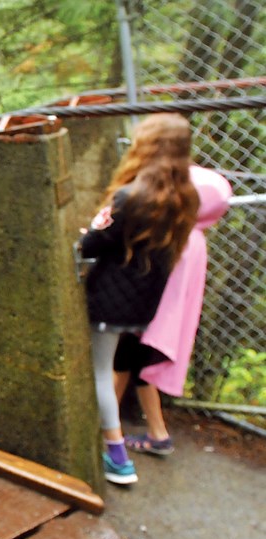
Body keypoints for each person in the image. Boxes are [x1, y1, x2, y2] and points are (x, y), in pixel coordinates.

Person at [80, 113, 200, 485]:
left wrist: (93, 230)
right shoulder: (185, 198)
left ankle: (117, 456)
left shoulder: (129, 196)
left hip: (109, 301)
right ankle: (110, 439)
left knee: (100, 371)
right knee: (115, 367)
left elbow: (92, 244)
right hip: (144, 304)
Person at [112, 165, 232, 454]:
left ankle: (104, 433)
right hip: (161, 324)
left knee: (122, 369)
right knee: (139, 374)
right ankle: (157, 435)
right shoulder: (195, 236)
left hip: (149, 320)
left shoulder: (179, 239)